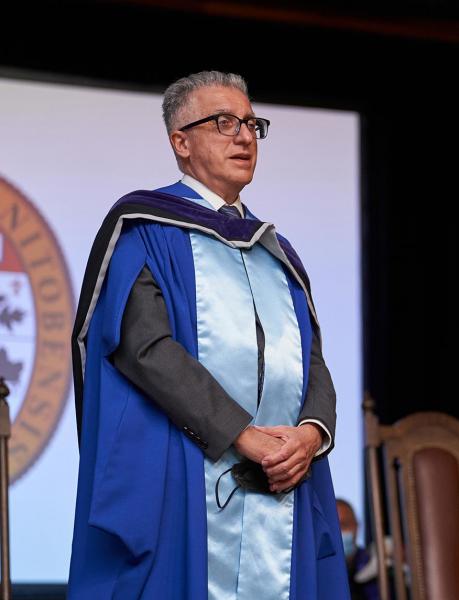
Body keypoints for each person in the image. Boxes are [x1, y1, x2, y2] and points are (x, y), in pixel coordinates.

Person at [69, 71, 349, 599]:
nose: (243, 136)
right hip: (187, 482)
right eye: (223, 123)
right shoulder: (144, 231)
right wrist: (243, 435)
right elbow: (144, 349)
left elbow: (312, 360)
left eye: (250, 124)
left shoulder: (276, 250)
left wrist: (311, 434)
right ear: (181, 142)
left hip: (283, 487)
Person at [337, 499, 380, 600]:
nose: (338, 532)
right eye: (333, 527)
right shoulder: (316, 572)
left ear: (356, 526)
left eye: (344, 525)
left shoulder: (373, 565)